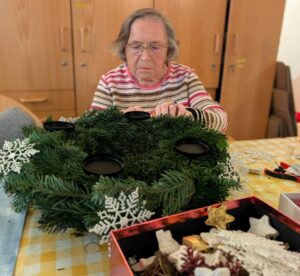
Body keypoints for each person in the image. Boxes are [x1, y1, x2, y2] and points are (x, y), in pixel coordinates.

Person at [90, 8, 227, 132]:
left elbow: (221, 120)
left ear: (168, 49)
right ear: (124, 48)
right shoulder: (109, 81)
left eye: (155, 47)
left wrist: (189, 116)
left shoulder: (186, 78)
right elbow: (90, 128)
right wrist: (118, 121)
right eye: (135, 46)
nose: (145, 57)